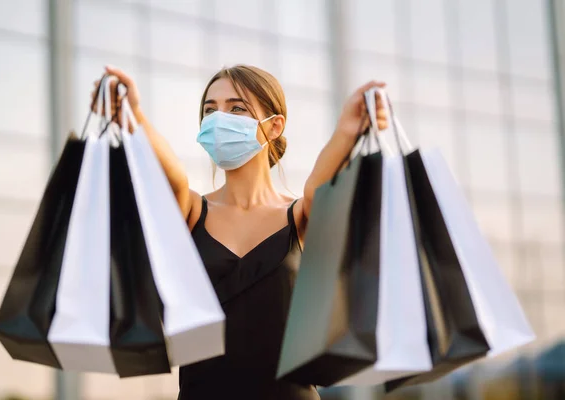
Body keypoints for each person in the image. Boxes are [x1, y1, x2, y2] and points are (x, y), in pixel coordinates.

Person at [92, 64, 387, 400]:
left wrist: (349, 130)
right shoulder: (190, 212)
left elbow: (318, 187)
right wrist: (135, 118)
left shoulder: (300, 216)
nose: (220, 119)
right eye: (210, 110)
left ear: (274, 126)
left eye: (236, 108)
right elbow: (172, 176)